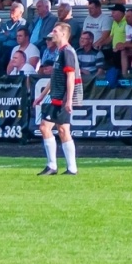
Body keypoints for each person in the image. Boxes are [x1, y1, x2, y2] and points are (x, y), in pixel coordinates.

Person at [37, 23, 80, 177]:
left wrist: (68, 100)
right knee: (58, 129)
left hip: (61, 98)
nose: (52, 33)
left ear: (63, 34)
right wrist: (42, 96)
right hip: (56, 96)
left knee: (53, 128)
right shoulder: (59, 52)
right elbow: (55, 76)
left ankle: (58, 166)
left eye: (55, 31)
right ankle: (62, 167)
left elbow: (70, 76)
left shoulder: (67, 52)